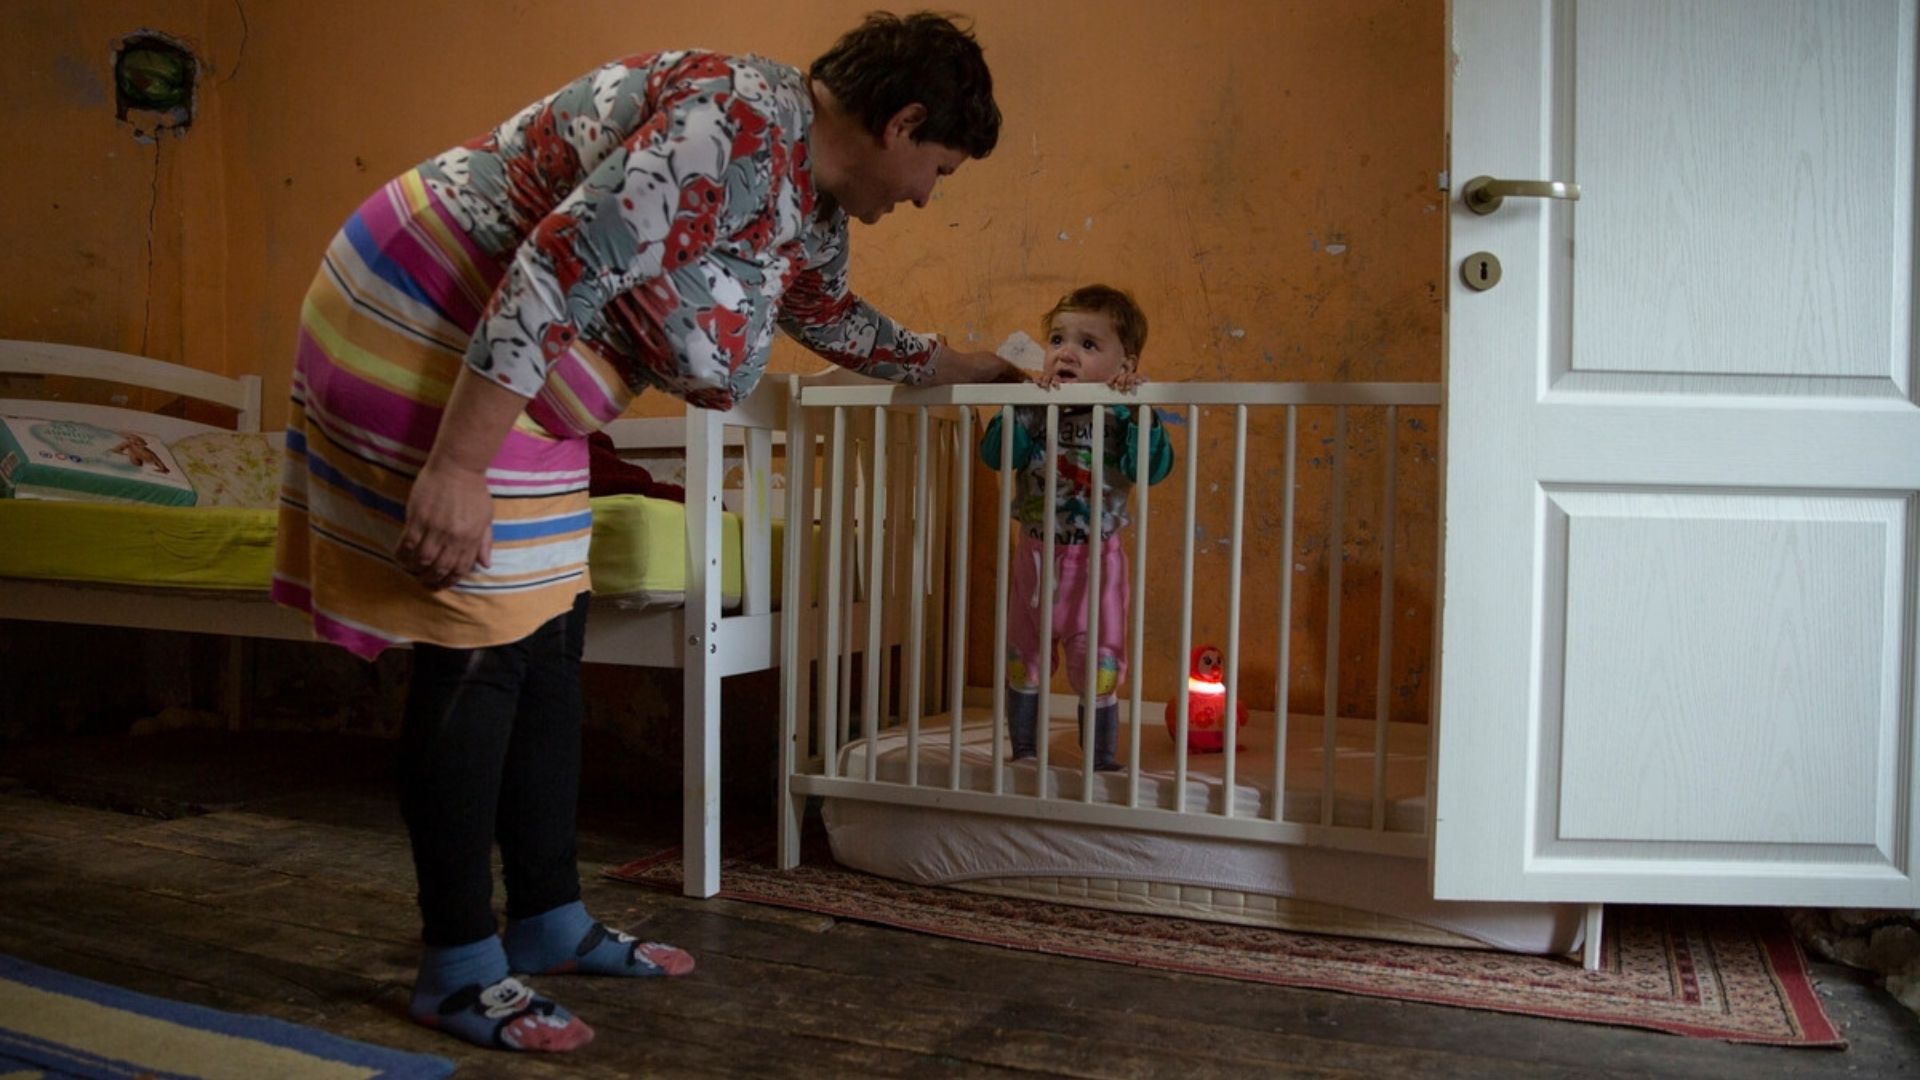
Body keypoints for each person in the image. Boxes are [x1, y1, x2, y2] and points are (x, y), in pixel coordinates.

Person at [271, 12, 1015, 1054]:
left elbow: (830, 317)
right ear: (903, 121)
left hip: (508, 356)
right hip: (432, 309)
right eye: (938, 168)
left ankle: (547, 919)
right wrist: (457, 467)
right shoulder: (735, 121)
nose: (927, 195)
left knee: (550, 636)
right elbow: (550, 273)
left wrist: (968, 367)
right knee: (480, 648)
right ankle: (456, 965)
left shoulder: (801, 184)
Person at [978, 284, 1173, 771]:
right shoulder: (1034, 408)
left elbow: (1152, 468)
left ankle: (1101, 759)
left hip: (1098, 561)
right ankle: (1024, 750)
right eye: (1058, 339)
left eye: (1088, 345)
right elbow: (997, 456)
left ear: (1124, 368)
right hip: (1036, 555)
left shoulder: (1124, 414)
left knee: (1100, 661)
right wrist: (1018, 408)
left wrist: (1138, 413)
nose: (1067, 353)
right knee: (1025, 655)